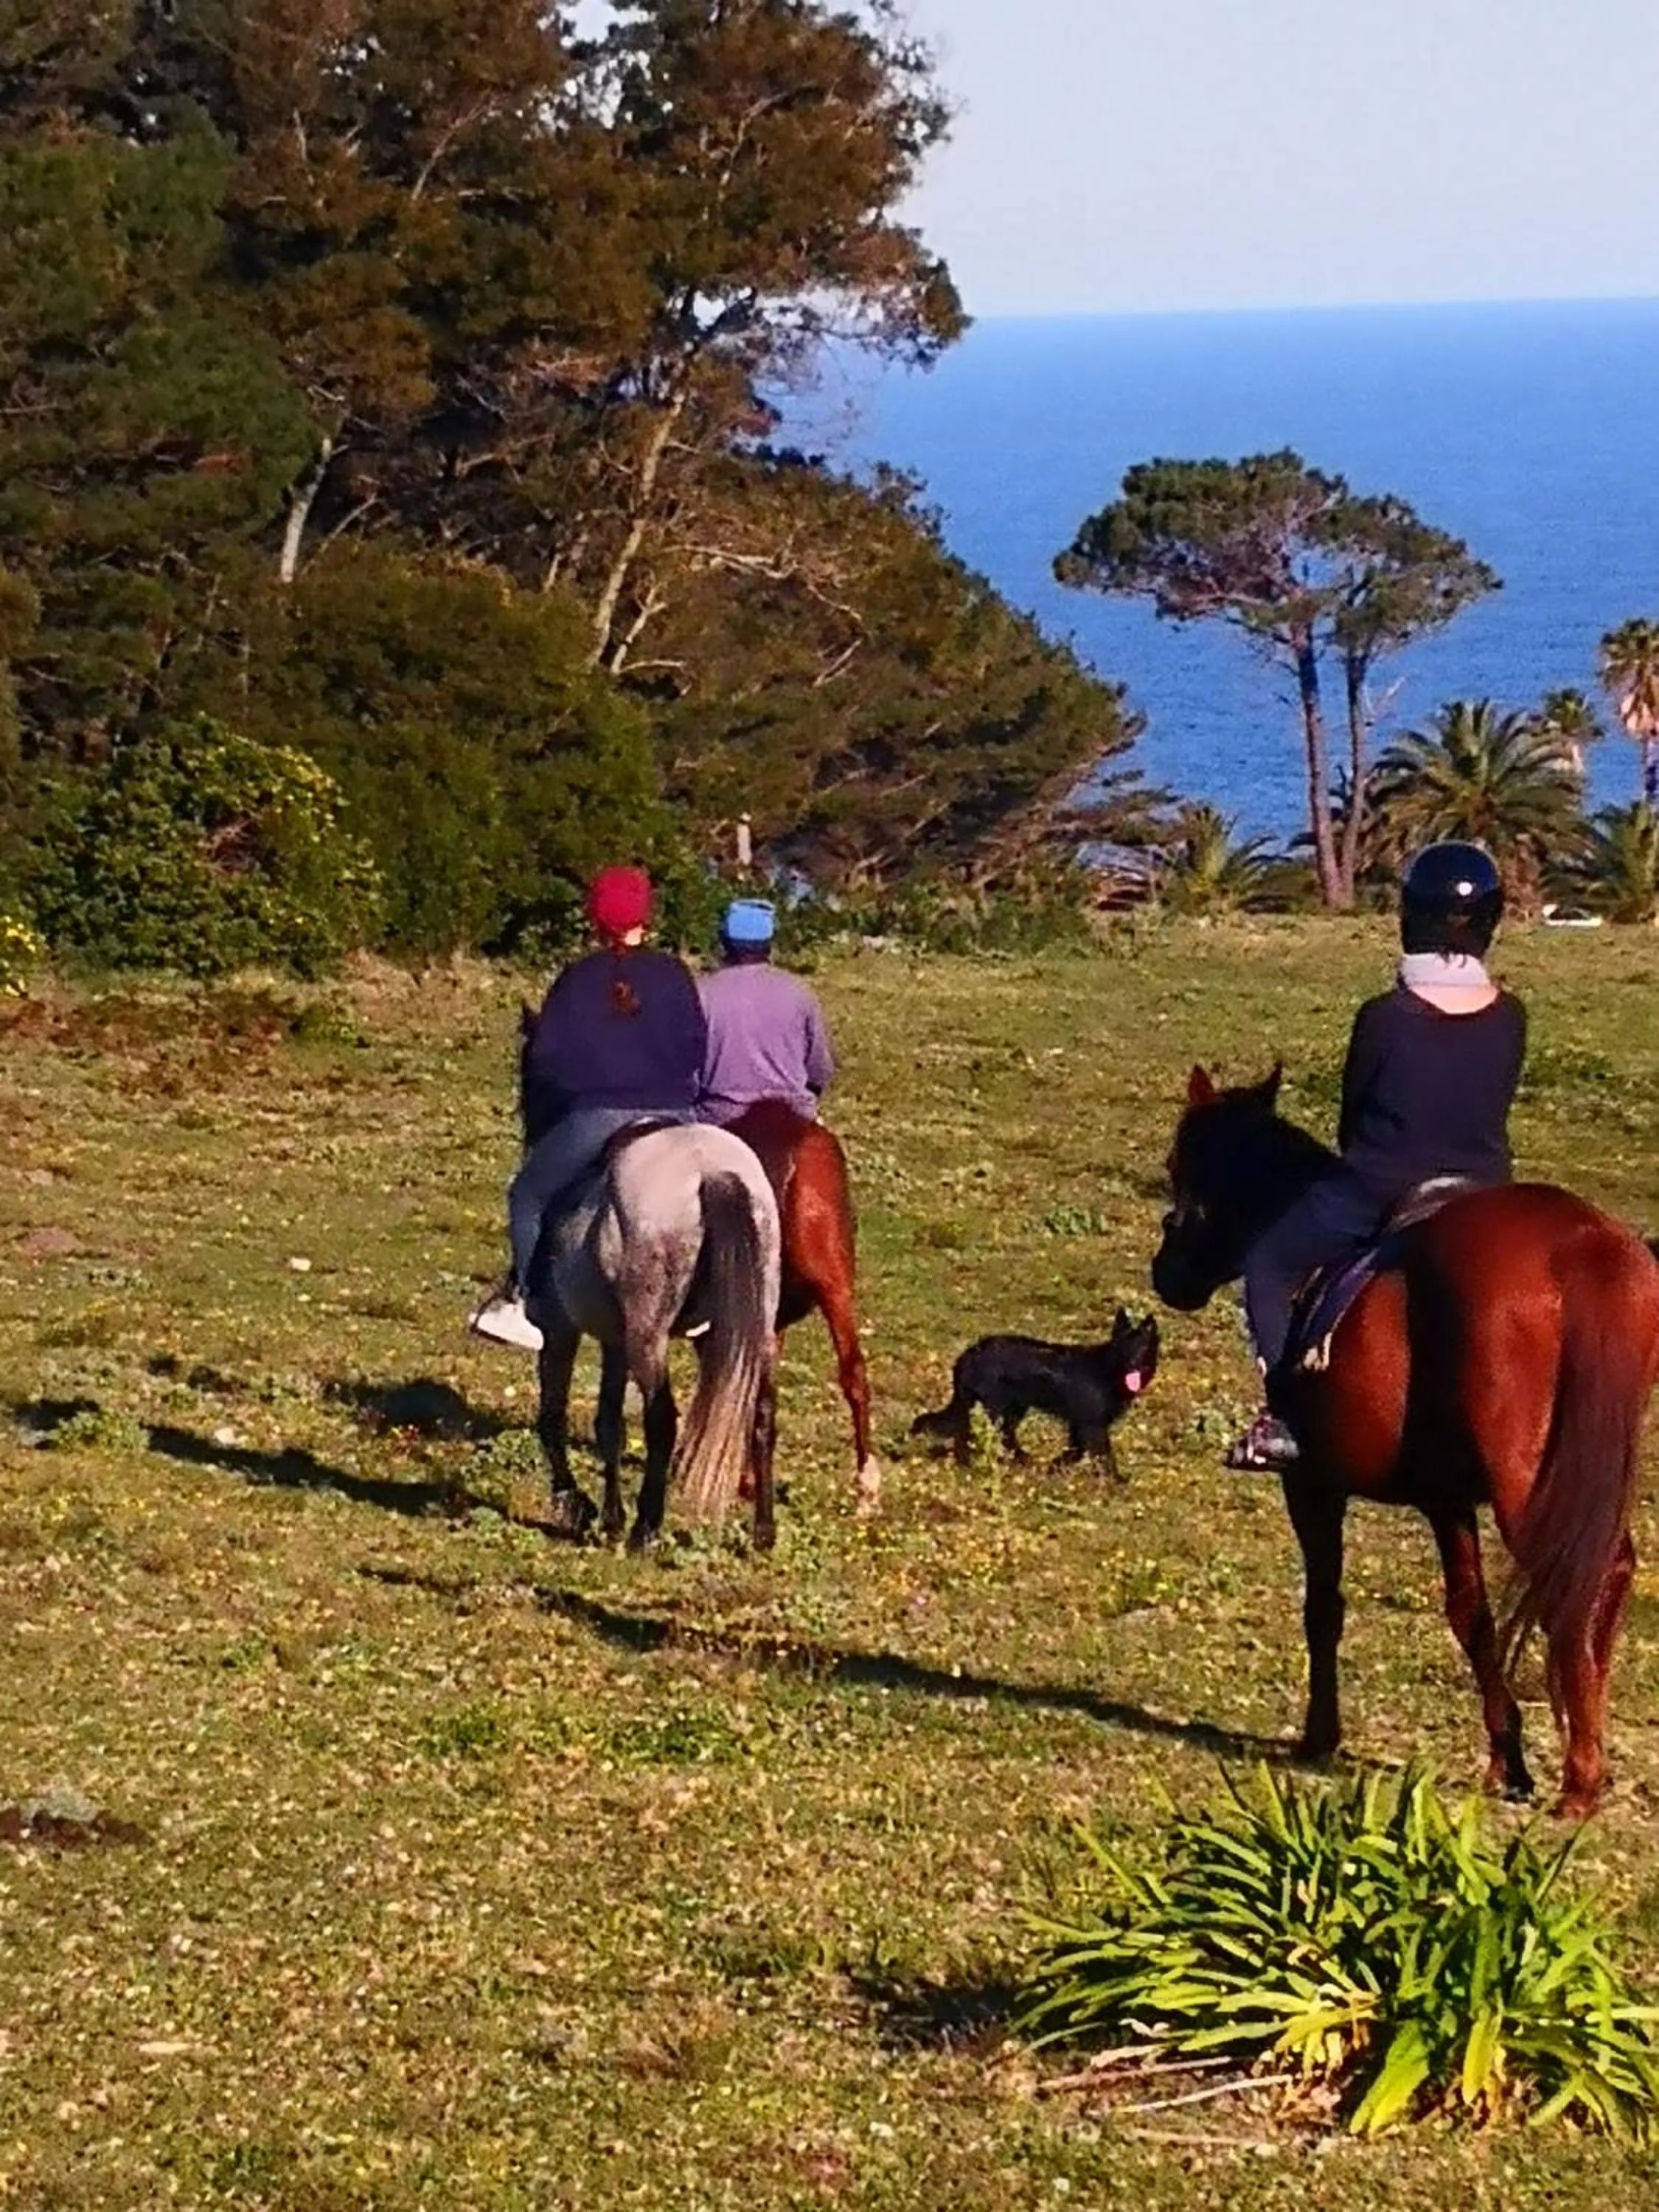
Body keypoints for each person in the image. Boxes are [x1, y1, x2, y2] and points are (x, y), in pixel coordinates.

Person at [1228, 841, 1526, 1470]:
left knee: (1269, 1265)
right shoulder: (1512, 1018)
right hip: (1484, 1191)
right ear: (1490, 924)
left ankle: (1284, 1417)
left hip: (1379, 1187)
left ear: (1410, 916)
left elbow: (1352, 1117)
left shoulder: (1384, 1018)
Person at [470, 866, 706, 1352]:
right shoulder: (675, 975)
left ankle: (526, 1303)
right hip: (680, 1114)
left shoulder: (577, 980)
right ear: (648, 916)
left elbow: (549, 1060)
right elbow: (697, 1047)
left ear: (594, 919)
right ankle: (707, 1296)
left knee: (528, 1196)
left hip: (599, 1116)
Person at [696, 897, 835, 1125]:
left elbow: (690, 1070)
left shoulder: (702, 992)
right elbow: (820, 1069)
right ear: (770, 942)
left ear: (724, 941)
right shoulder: (798, 991)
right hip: (791, 1113)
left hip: (720, 1116)